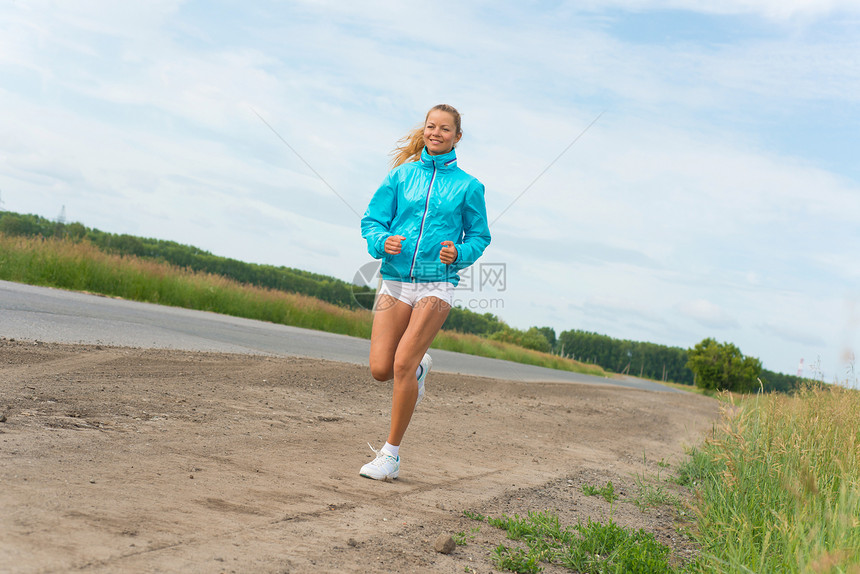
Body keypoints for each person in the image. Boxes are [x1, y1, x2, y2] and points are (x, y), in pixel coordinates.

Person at [358, 104, 491, 480]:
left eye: (445, 129)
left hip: (437, 281)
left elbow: (479, 236)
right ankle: (419, 368)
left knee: (400, 365)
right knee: (381, 369)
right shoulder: (400, 176)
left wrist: (459, 253)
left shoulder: (469, 186)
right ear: (425, 130)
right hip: (396, 280)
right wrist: (382, 242)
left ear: (457, 137)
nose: (436, 133)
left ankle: (390, 456)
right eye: (431, 126)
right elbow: (372, 221)